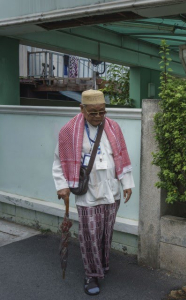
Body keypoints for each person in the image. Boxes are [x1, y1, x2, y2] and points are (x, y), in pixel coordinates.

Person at [52, 89, 134, 296]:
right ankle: (91, 274)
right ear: (82, 109)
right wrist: (62, 185)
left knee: (106, 233)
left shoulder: (113, 127)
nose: (98, 116)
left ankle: (102, 265)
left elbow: (121, 156)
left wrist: (126, 183)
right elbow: (58, 161)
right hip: (87, 192)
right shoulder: (69, 131)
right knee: (89, 235)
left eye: (102, 112)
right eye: (93, 112)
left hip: (110, 190)